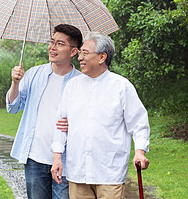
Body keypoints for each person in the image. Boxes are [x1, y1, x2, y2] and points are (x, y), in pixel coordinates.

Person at [50, 32, 150, 199]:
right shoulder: (72, 87)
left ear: (102, 57)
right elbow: (60, 124)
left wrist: (140, 151)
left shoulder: (121, 86)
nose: (80, 57)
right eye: (80, 52)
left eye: (85, 53)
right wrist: (57, 158)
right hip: (78, 172)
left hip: (109, 172)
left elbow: (139, 122)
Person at [6, 24, 83, 199]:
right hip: (35, 157)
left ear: (73, 52)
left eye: (60, 44)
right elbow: (13, 107)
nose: (52, 47)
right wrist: (15, 83)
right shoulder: (34, 74)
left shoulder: (80, 82)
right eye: (51, 42)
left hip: (66, 161)